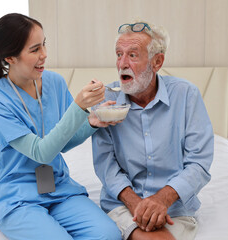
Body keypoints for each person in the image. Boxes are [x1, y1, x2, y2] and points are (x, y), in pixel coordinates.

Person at [0, 13, 121, 240]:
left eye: (44, 45)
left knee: (108, 234)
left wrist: (91, 121)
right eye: (35, 49)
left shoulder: (55, 82)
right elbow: (42, 152)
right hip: (18, 196)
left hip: (59, 187)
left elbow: (65, 142)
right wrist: (78, 106)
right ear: (10, 57)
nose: (45, 55)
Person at [92, 20, 214, 240]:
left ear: (157, 62)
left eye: (133, 55)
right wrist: (137, 205)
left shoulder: (187, 95)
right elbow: (105, 166)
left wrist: (161, 200)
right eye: (119, 54)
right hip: (122, 205)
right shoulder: (106, 102)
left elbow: (199, 162)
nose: (122, 63)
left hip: (174, 208)